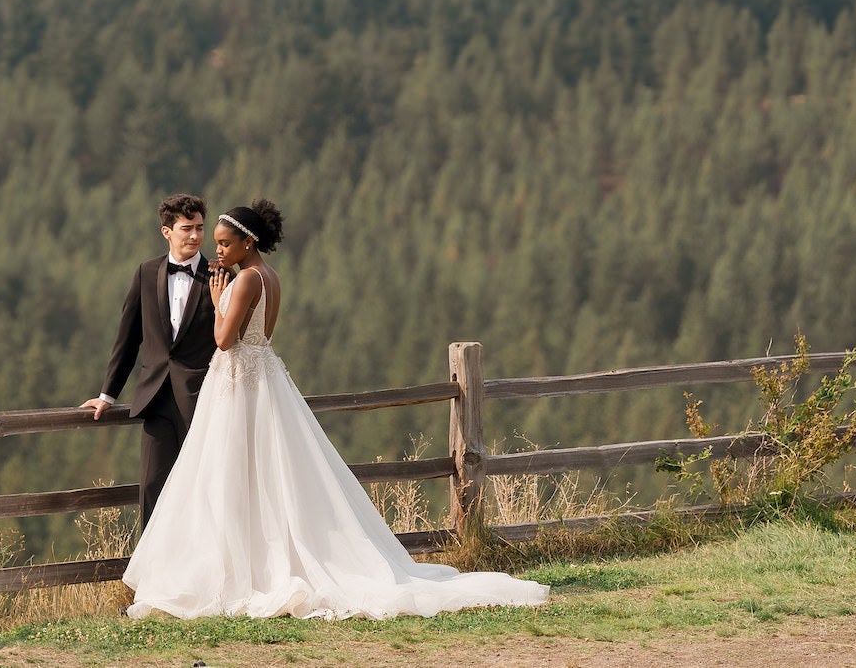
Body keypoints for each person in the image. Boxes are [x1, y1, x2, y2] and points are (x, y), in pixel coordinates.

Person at [121, 199, 549, 620]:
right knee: (260, 474)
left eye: (225, 243)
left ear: (247, 243)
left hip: (238, 386)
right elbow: (263, 335)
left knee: (232, 473)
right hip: (262, 378)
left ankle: (240, 572)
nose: (218, 252)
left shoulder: (246, 280)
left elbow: (224, 340)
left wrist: (218, 303)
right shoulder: (270, 275)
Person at [81, 193, 218, 529]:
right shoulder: (146, 272)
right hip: (155, 400)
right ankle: (153, 577)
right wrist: (107, 395)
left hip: (205, 401)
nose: (196, 236)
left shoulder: (219, 274)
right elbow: (128, 339)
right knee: (153, 487)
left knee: (205, 491)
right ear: (166, 231)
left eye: (200, 228)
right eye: (187, 228)